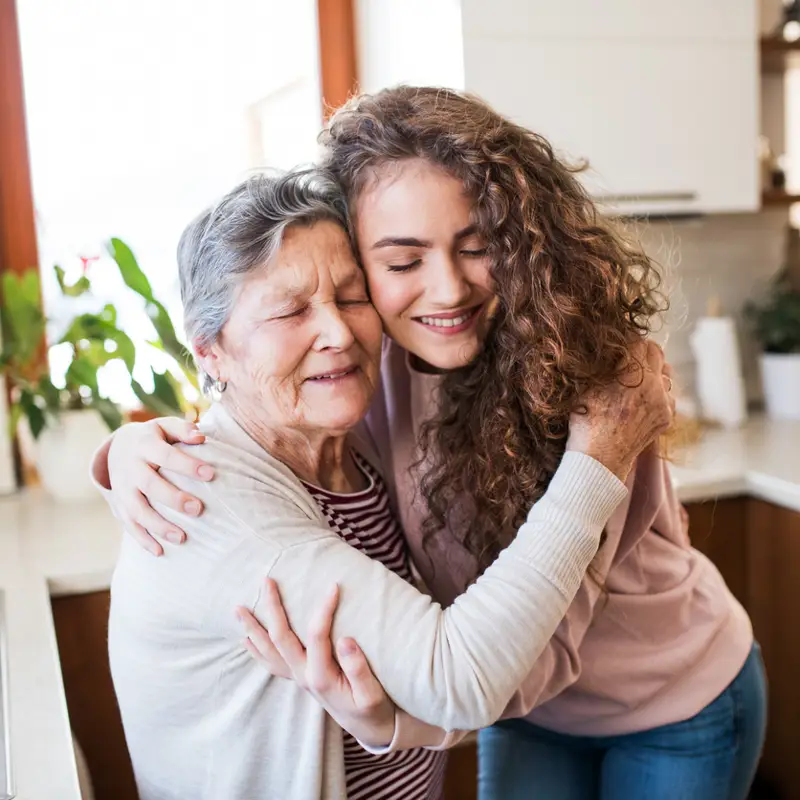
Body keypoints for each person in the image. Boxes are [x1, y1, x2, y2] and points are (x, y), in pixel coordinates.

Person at [94, 87, 764, 800]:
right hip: (521, 712)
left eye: (477, 248)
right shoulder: (362, 376)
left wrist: (393, 721)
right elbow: (254, 395)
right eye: (403, 262)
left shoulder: (588, 384)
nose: (445, 290)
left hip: (668, 697)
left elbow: (544, 651)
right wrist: (123, 454)